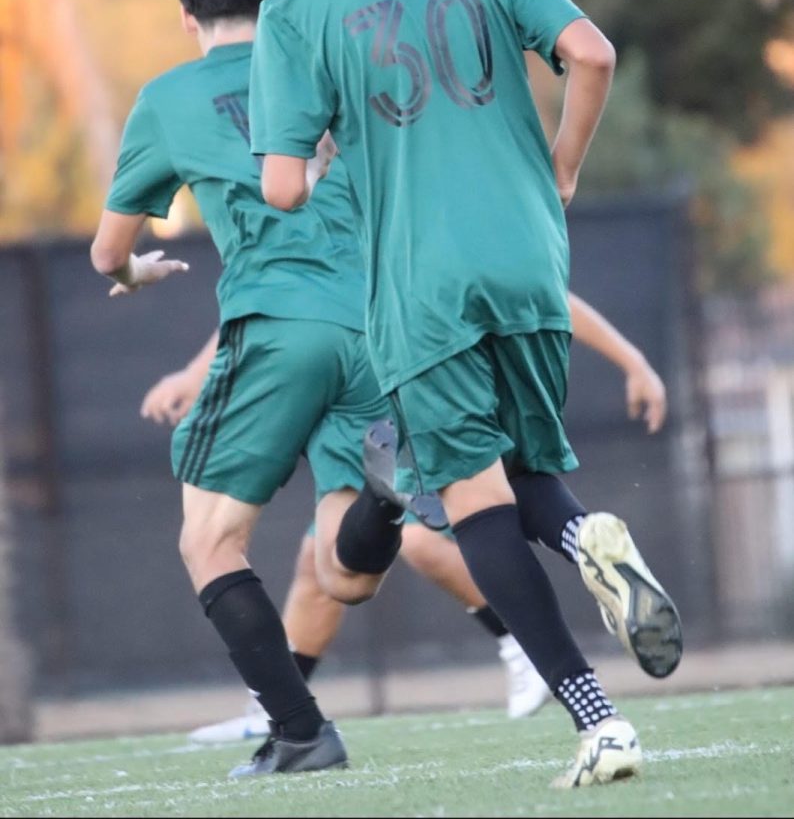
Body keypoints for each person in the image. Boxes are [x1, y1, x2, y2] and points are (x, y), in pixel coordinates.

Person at [249, 0, 682, 788]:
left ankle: (597, 718)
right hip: (530, 257)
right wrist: (561, 165)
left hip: (421, 285)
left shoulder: (295, 8)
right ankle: (584, 533)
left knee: (470, 498)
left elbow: (277, 188)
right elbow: (590, 52)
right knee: (519, 471)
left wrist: (319, 153)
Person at [90, 0, 413, 779]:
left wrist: (133, 275)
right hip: (376, 326)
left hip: (283, 322)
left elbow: (105, 251)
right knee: (345, 573)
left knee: (207, 541)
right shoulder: (318, 69)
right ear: (276, 3)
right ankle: (392, 493)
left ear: (188, 18)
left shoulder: (169, 97)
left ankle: (301, 733)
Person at [140, 298, 668, 742]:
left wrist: (632, 359)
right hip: (384, 374)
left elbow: (268, 291)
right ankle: (275, 708)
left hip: (386, 374)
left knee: (416, 541)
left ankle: (528, 646)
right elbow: (542, 286)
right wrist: (634, 360)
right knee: (320, 565)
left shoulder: (363, 198)